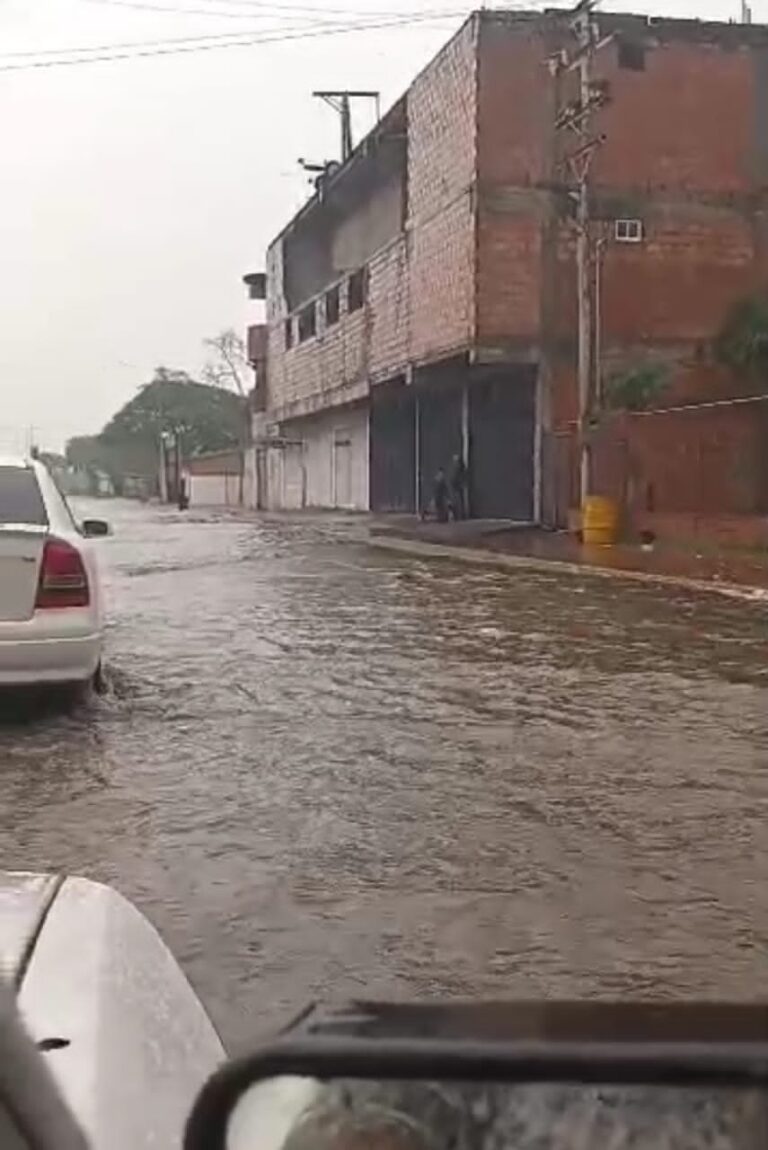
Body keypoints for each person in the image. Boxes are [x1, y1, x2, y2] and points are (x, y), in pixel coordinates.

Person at [449, 453, 468, 520]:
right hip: (456, 486)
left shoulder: (457, 467)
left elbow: (456, 477)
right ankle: (458, 516)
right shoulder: (458, 467)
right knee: (457, 501)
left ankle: (458, 516)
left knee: (457, 501)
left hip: (456, 486)